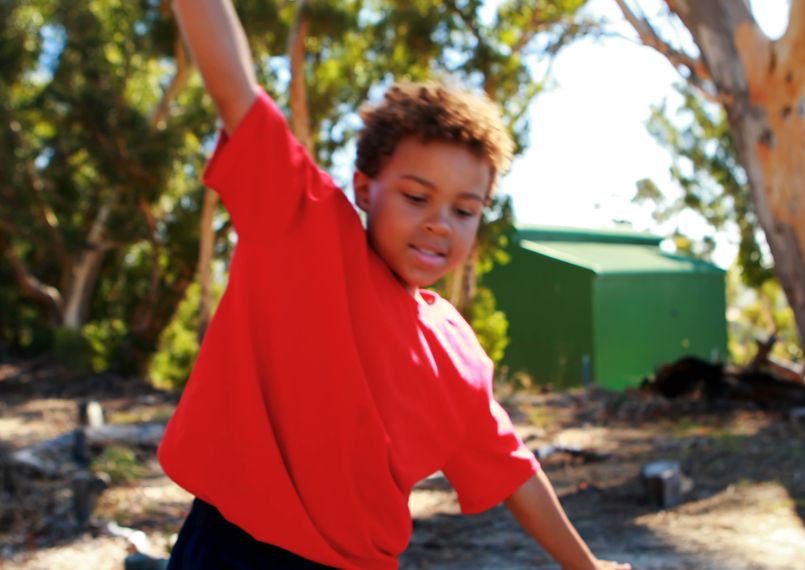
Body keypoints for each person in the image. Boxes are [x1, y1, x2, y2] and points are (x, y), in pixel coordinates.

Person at [157, 1, 632, 569]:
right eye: (416, 197)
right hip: (235, 551)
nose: (439, 222)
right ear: (364, 187)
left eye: (465, 209)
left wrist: (588, 566)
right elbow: (236, 90)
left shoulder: (455, 349)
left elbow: (515, 471)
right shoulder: (304, 234)